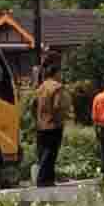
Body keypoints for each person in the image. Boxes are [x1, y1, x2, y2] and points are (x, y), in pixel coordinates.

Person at [31, 59, 67, 187]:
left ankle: (48, 179)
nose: (60, 76)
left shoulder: (40, 87)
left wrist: (37, 119)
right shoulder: (57, 87)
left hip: (41, 124)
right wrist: (58, 121)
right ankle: (43, 179)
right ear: (56, 73)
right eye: (60, 73)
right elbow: (57, 106)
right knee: (51, 152)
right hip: (53, 124)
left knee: (42, 151)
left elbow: (33, 105)